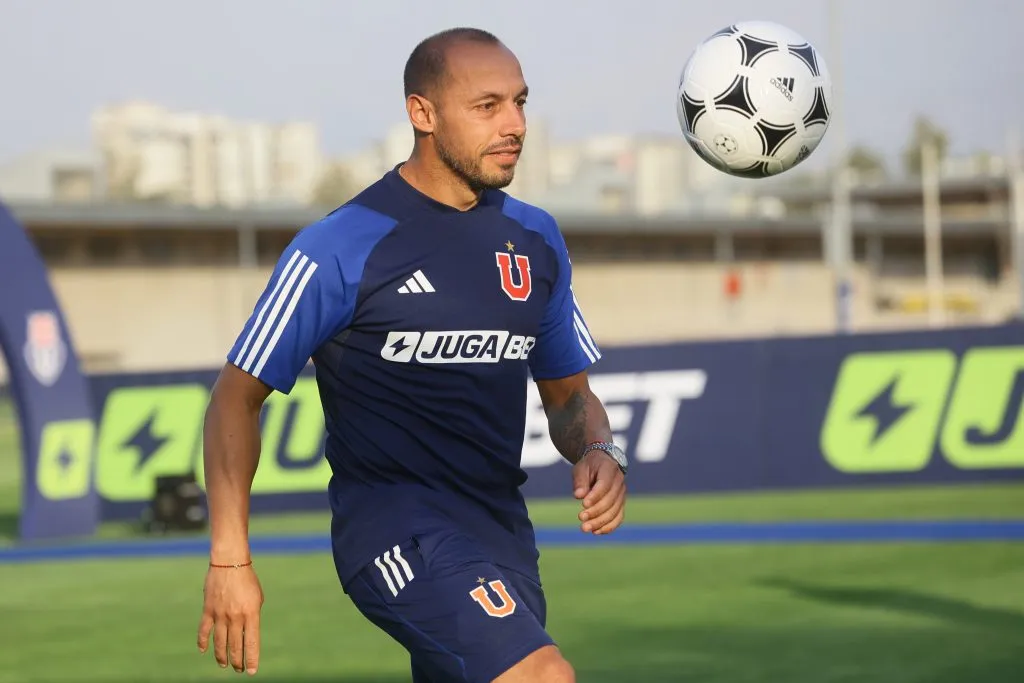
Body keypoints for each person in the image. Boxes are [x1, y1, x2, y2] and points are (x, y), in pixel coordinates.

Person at [196, 26, 628, 682]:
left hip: (501, 532)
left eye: (520, 102)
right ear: (422, 114)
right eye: (487, 106)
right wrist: (230, 559)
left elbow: (570, 398)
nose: (514, 124)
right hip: (394, 530)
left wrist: (600, 448)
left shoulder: (535, 238)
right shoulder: (340, 245)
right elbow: (235, 396)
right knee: (543, 676)